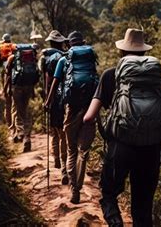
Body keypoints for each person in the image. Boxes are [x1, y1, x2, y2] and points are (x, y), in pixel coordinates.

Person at [83, 28, 161, 227]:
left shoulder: (109, 76)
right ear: (145, 53)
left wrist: (105, 127)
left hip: (120, 148)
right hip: (151, 151)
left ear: (121, 52)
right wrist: (160, 134)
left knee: (109, 193)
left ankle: (116, 223)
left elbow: (88, 117)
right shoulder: (158, 81)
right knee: (143, 208)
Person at [45, 31, 98, 204]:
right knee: (84, 151)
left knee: (71, 149)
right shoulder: (90, 59)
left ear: (69, 45)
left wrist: (48, 101)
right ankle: (79, 186)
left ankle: (74, 189)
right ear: (83, 42)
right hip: (89, 107)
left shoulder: (64, 59)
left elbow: (55, 82)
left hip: (71, 108)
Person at [39, 30, 68, 185]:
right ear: (61, 42)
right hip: (66, 99)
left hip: (54, 99)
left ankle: (57, 160)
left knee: (55, 131)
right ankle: (64, 168)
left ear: (50, 43)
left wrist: (47, 100)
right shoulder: (67, 57)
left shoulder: (47, 59)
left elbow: (48, 82)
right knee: (64, 134)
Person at [4, 43, 40, 152]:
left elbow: (8, 74)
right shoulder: (32, 58)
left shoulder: (11, 58)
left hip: (17, 87)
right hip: (29, 87)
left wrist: (6, 89)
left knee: (17, 111)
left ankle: (20, 135)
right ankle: (27, 137)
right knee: (25, 110)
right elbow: (36, 73)